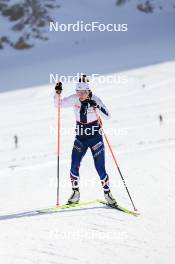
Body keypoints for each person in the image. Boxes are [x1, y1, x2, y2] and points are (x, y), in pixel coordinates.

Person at [54, 75, 117, 205]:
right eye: (78, 92)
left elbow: (108, 116)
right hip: (81, 138)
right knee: (74, 165)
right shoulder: (74, 99)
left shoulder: (95, 99)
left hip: (95, 138)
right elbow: (57, 104)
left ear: (88, 91)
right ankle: (75, 193)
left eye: (83, 92)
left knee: (100, 168)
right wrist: (57, 93)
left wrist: (97, 106)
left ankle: (108, 194)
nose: (80, 95)